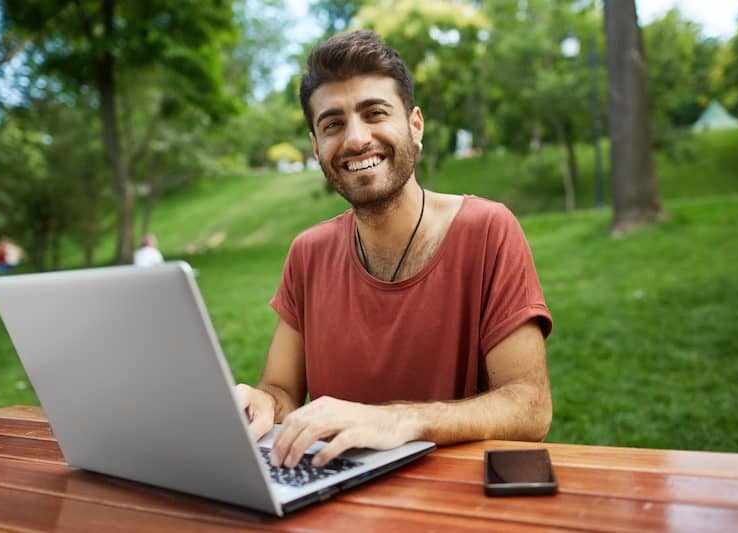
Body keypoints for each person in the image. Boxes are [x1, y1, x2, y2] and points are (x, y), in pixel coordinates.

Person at [236, 30, 553, 470]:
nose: (356, 139)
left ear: (414, 125)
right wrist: (260, 402)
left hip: (449, 500)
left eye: (374, 113)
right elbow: (282, 392)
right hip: (333, 499)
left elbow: (530, 407)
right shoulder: (307, 252)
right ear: (316, 147)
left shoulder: (488, 230)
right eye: (333, 124)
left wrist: (397, 421)